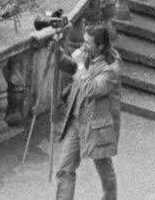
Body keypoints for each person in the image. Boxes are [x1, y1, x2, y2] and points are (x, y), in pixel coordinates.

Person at [52, 22, 121, 200]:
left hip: (97, 126)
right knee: (65, 169)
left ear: (101, 45)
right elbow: (70, 66)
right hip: (76, 122)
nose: (83, 45)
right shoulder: (86, 55)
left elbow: (91, 90)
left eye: (88, 43)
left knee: (104, 168)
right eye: (84, 41)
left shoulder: (111, 69)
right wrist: (57, 51)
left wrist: (81, 66)